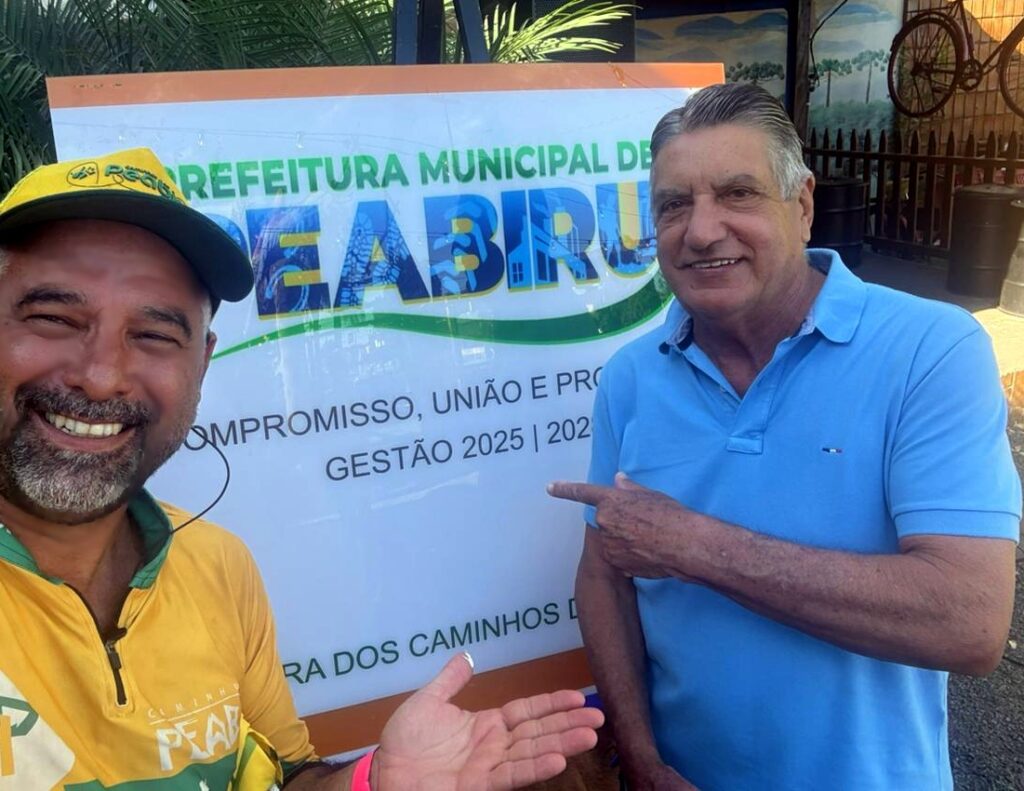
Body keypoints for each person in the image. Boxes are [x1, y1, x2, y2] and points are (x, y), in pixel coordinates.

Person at [0, 148, 603, 790]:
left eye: (153, 335)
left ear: (201, 362)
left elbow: (284, 778)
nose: (100, 375)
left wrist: (373, 783)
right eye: (54, 318)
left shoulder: (213, 564)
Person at [548, 82, 1021, 791]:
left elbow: (970, 622)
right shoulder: (631, 377)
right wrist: (641, 758)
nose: (700, 231)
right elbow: (603, 575)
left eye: (737, 193)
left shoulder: (929, 349)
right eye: (674, 205)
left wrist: (695, 546)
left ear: (802, 207)